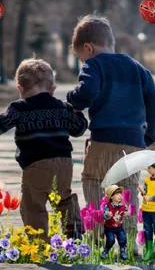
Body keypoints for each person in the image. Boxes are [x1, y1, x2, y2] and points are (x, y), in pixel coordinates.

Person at [66, 14, 155, 251]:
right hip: (134, 143)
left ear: (88, 48)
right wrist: (148, 137)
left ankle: (96, 238)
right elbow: (153, 101)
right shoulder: (138, 68)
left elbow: (86, 93)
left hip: (104, 139)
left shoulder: (94, 65)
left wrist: (72, 99)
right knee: (127, 192)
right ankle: (129, 243)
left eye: (80, 57)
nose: (82, 61)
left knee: (94, 182)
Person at [0, 58, 88, 242]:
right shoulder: (62, 107)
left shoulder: (18, 108)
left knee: (33, 204)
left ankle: (40, 241)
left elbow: (2, 124)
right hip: (64, 163)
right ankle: (74, 229)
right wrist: (76, 111)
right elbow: (79, 128)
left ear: (19, 87)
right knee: (64, 198)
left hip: (36, 163)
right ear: (52, 88)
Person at [101, 185, 128, 260]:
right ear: (111, 197)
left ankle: (123, 251)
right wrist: (107, 214)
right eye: (117, 194)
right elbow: (104, 216)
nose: (120, 196)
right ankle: (106, 251)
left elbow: (126, 210)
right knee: (111, 240)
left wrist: (126, 213)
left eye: (120, 194)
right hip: (109, 227)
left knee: (122, 239)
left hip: (119, 227)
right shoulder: (108, 206)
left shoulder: (123, 204)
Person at [138, 163, 155, 261]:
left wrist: (151, 198)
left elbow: (150, 197)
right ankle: (149, 250)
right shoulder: (147, 180)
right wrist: (142, 191)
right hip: (146, 209)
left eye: (150, 168)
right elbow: (145, 193)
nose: (148, 170)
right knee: (148, 230)